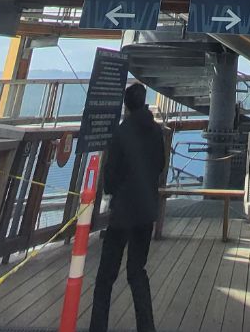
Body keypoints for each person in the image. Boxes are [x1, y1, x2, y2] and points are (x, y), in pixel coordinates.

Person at [89, 81, 167, 332]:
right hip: (146, 210)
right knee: (137, 271)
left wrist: (114, 191)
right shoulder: (156, 131)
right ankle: (146, 327)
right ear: (144, 102)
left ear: (126, 106)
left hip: (123, 212)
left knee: (106, 275)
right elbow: (160, 165)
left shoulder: (121, 132)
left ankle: (98, 327)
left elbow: (111, 175)